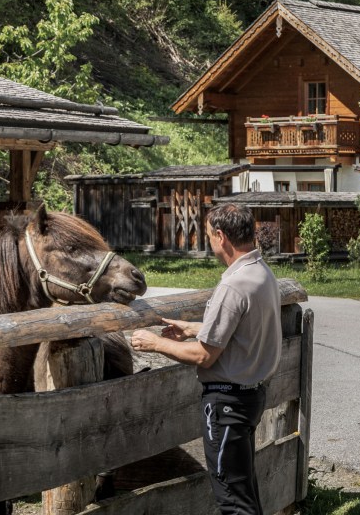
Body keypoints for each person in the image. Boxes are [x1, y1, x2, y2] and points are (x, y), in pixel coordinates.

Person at [131, 204, 281, 514]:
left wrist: (155, 343)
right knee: (244, 492)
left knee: (232, 500)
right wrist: (191, 328)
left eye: (209, 234)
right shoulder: (260, 272)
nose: (209, 240)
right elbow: (240, 332)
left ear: (221, 236)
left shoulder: (233, 285)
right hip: (249, 398)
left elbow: (204, 355)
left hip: (227, 405)